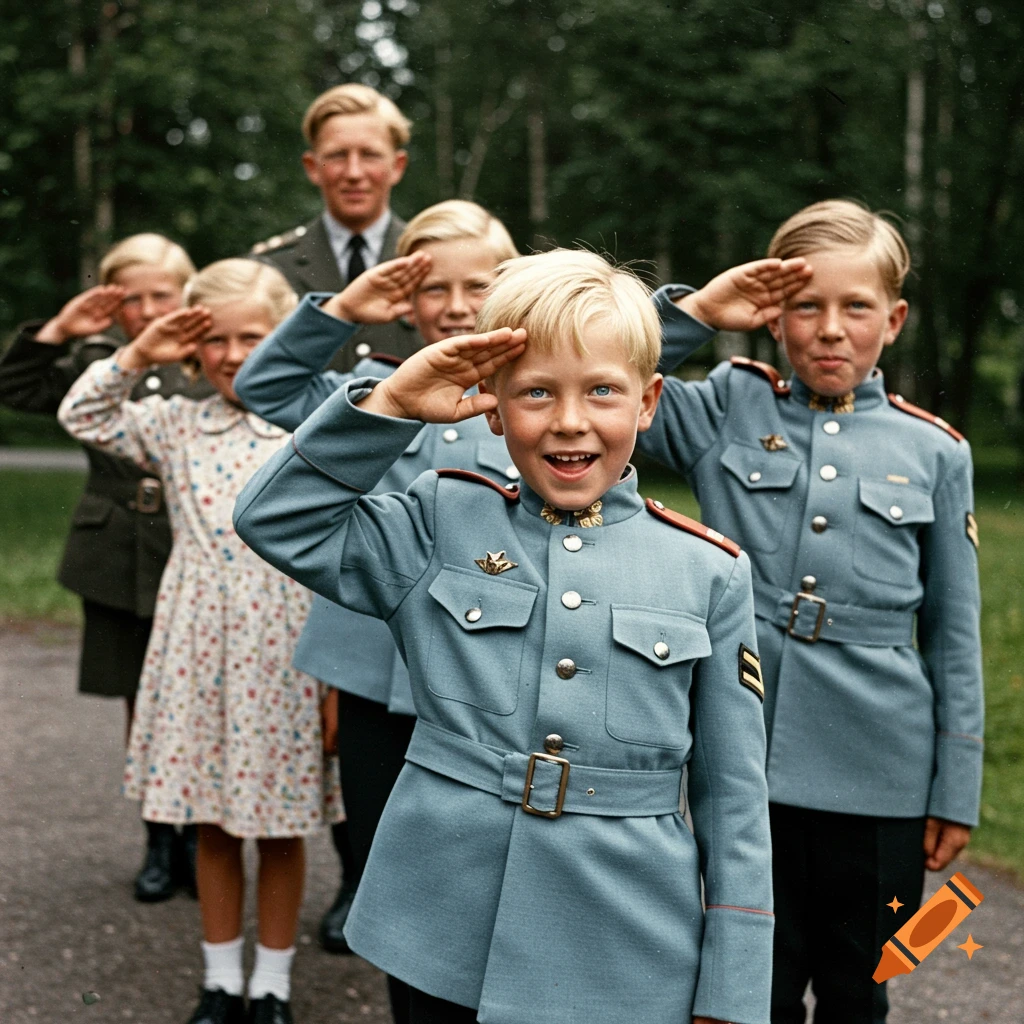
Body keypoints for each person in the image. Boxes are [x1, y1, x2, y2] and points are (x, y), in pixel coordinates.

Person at [234, 249, 775, 1024]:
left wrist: (735, 983)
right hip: (441, 914)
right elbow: (274, 518)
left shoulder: (708, 572)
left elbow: (734, 798)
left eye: (601, 391)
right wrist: (390, 403)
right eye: (535, 393)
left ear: (649, 401)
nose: (569, 421)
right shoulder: (437, 521)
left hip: (624, 931)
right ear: (490, 408)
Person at [639, 199, 984, 1023]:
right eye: (806, 306)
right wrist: (698, 312)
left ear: (894, 321)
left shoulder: (936, 450)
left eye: (856, 307)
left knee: (861, 981)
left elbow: (954, 630)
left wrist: (957, 786)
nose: (831, 330)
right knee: (746, 982)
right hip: (740, 753)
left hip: (882, 769)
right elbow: (607, 372)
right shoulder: (724, 407)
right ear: (772, 314)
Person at [234, 199, 521, 1018]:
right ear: (407, 298)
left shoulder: (532, 393)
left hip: (485, 673)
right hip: (374, 670)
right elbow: (267, 383)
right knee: (384, 857)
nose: (460, 304)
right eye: (437, 287)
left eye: (482, 283)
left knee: (488, 862)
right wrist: (344, 310)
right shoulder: (375, 389)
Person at [58, 259, 342, 1024]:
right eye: (214, 339)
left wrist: (336, 679)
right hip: (196, 648)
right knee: (212, 821)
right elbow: (81, 416)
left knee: (281, 826)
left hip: (287, 647)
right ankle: (221, 980)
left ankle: (273, 984)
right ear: (191, 344)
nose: (232, 354)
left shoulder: (310, 423)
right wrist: (139, 352)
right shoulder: (176, 422)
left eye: (254, 337)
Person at [0, 233, 209, 902]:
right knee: (138, 698)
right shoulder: (95, 364)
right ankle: (158, 836)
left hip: (191, 546)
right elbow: (18, 387)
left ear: (187, 295)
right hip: (118, 551)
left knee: (202, 697)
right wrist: (61, 330)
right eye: (134, 298)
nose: (148, 310)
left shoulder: (211, 359)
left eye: (162, 295)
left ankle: (204, 836)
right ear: (114, 307)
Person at [250, 83, 417, 370]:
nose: (353, 173)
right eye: (337, 155)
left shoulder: (427, 260)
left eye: (370, 155)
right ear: (312, 166)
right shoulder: (271, 268)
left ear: (398, 166)